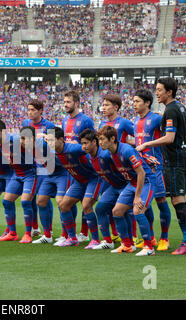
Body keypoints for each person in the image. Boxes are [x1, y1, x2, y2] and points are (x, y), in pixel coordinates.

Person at [136, 77, 186, 255]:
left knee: (178, 199)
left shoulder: (170, 110)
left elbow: (169, 138)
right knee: (175, 199)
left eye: (160, 89)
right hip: (180, 157)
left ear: (169, 92)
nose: (156, 92)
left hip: (176, 159)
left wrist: (147, 144)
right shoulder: (179, 106)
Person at [98, 126, 156, 256]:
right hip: (132, 183)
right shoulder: (109, 154)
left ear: (112, 138)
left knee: (138, 210)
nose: (100, 142)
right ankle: (127, 245)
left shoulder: (127, 151)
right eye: (99, 139)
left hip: (147, 181)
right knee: (117, 211)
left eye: (102, 139)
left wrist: (137, 196)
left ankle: (149, 247)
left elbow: (141, 173)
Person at [46, 127, 101, 249]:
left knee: (86, 206)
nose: (49, 143)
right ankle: (72, 238)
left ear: (61, 139)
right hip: (78, 182)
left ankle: (96, 240)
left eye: (51, 140)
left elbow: (94, 150)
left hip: (93, 179)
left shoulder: (73, 148)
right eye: (48, 141)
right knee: (63, 205)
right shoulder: (55, 153)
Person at [132, 89, 172, 251]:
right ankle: (151, 237)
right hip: (142, 168)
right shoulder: (135, 120)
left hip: (156, 167)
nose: (134, 104)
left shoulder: (156, 118)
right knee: (143, 202)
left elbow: (168, 133)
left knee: (161, 201)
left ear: (147, 103)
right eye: (133, 101)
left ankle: (165, 238)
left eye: (137, 101)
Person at [80, 129, 129, 250]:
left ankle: (134, 241)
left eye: (85, 143)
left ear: (94, 142)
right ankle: (108, 241)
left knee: (131, 211)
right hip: (113, 186)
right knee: (100, 208)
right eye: (82, 143)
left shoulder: (106, 155)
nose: (83, 147)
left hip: (125, 185)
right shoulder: (90, 157)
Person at [98, 93, 136, 242]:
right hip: (107, 171)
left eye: (107, 105)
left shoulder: (124, 123)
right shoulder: (102, 124)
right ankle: (116, 234)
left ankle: (133, 236)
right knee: (106, 204)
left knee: (125, 206)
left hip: (121, 170)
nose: (104, 108)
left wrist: (130, 147)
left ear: (116, 107)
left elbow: (139, 137)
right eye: (103, 105)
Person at [62, 90, 95, 242]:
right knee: (68, 202)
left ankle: (84, 233)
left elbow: (92, 141)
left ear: (76, 103)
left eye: (68, 102)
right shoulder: (64, 121)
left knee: (85, 203)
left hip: (85, 165)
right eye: (64, 102)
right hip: (71, 167)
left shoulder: (86, 120)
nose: (65, 104)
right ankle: (70, 235)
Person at [0, 126, 38, 244]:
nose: (23, 141)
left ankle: (27, 233)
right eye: (22, 138)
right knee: (6, 201)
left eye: (26, 139)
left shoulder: (39, 147)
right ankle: (12, 233)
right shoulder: (11, 143)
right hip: (17, 175)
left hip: (31, 175)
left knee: (25, 202)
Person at [22, 99, 56, 237]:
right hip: (31, 165)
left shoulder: (49, 125)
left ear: (40, 111)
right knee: (31, 197)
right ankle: (35, 228)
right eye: (28, 109)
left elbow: (53, 147)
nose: (30, 113)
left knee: (44, 197)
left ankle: (49, 229)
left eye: (33, 110)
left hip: (44, 165)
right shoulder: (25, 123)